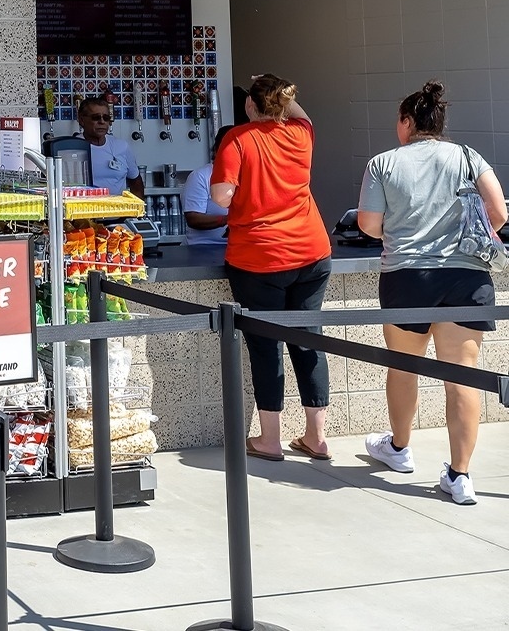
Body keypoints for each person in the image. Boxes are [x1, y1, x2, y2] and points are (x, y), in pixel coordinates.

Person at [358, 80, 508, 505]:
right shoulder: (468, 156)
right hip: (466, 276)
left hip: (407, 276)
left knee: (403, 366)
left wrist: (402, 232)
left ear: (407, 122)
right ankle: (460, 476)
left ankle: (399, 449)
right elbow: (499, 212)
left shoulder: (383, 163)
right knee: (463, 375)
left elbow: (368, 224)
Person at [210, 74, 332, 462]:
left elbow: (221, 197)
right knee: (309, 339)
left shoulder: (237, 139)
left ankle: (270, 440)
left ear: (249, 104)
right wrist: (274, 85)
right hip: (312, 252)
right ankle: (317, 438)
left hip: (260, 257)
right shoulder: (301, 133)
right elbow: (301, 114)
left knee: (265, 346)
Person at [75, 96, 143, 197]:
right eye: (96, 117)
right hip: (84, 206)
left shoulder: (121, 146)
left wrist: (137, 206)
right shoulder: (72, 148)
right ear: (81, 120)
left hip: (118, 206)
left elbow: (136, 183)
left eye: (106, 118)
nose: (102, 122)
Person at [183, 125, 232, 246]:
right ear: (216, 150)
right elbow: (193, 218)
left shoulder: (249, 174)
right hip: (203, 247)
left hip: (238, 246)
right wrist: (227, 219)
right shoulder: (200, 176)